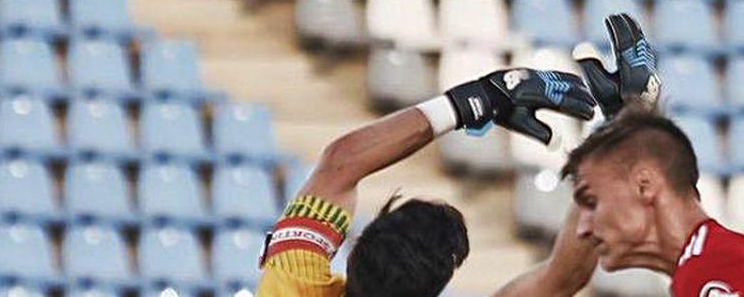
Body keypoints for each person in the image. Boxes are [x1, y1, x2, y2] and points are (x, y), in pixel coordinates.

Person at [506, 14, 744, 297]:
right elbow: (559, 279)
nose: (584, 227)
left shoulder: (713, 271)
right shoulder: (711, 261)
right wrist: (621, 124)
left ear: (645, 185)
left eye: (592, 202)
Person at [256, 65, 598, 297]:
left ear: (356, 250)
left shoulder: (292, 285)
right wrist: (615, 152)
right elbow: (564, 277)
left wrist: (474, 100)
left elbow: (340, 162)